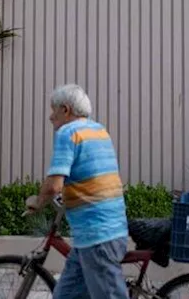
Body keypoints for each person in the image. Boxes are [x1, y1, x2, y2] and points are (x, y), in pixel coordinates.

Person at [28, 84, 130, 299]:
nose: (50, 117)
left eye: (53, 109)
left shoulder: (68, 132)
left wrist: (38, 202)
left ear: (65, 110)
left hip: (98, 236)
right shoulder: (99, 130)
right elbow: (92, 177)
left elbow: (54, 184)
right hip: (103, 232)